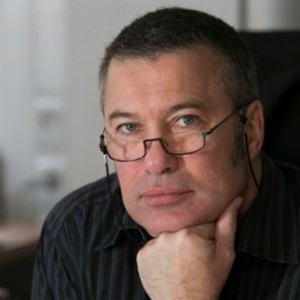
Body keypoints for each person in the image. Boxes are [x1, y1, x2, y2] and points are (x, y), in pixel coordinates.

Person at [31, 7, 300, 300]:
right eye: (129, 127)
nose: (156, 162)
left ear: (251, 131)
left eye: (186, 121)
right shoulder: (75, 230)